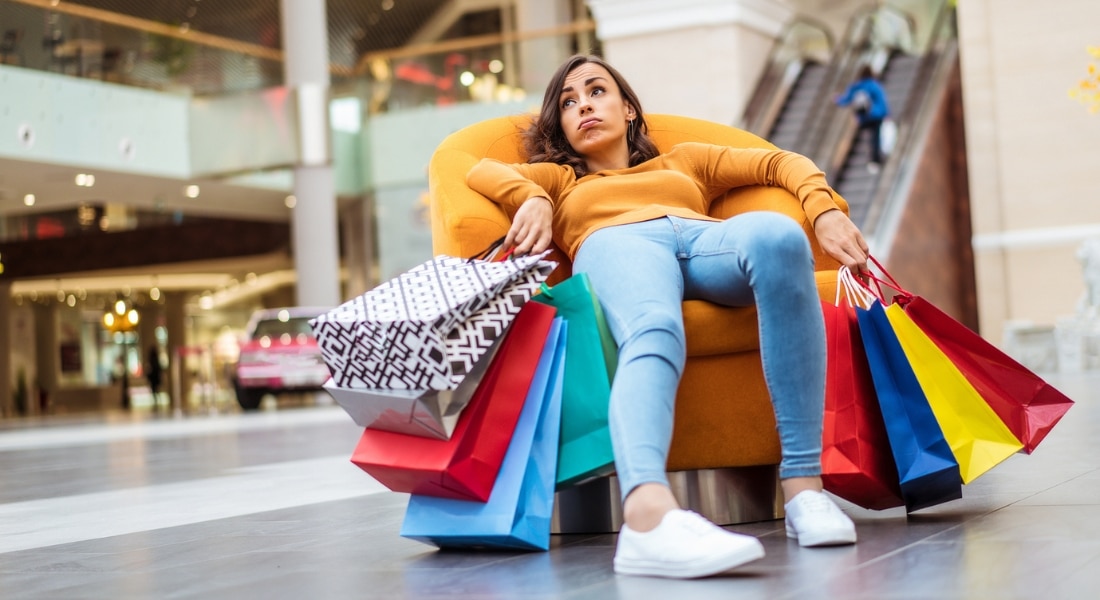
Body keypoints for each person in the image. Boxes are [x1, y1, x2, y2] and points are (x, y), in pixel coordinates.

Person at [466, 54, 869, 579]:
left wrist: (823, 208)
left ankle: (803, 491)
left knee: (778, 237)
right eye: (569, 102)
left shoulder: (684, 161)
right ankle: (648, 519)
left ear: (629, 108)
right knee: (655, 327)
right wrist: (533, 197)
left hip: (700, 238)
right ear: (562, 126)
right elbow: (480, 168)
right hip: (616, 243)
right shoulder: (560, 179)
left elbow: (779, 163)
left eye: (596, 91)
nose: (584, 104)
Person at [835, 65, 891, 172]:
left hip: (863, 118)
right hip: (876, 116)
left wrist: (837, 100)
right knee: (875, 138)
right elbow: (881, 100)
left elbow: (846, 99)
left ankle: (855, 159)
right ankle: (875, 160)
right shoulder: (874, 85)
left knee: (865, 136)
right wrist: (886, 114)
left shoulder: (856, 87)